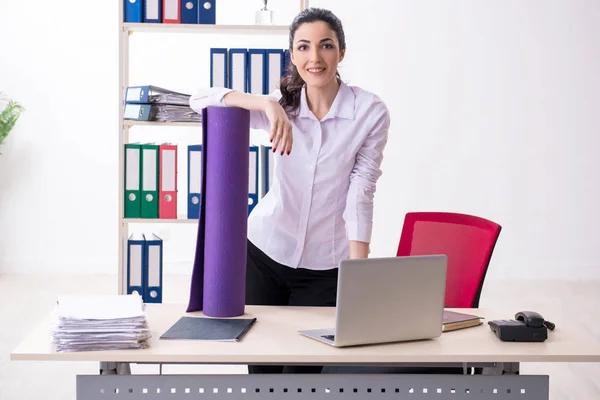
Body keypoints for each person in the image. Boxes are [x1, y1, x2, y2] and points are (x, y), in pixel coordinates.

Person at [189, 7, 390, 374]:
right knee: (262, 371)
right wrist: (265, 103)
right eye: (303, 47)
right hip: (264, 253)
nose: (315, 58)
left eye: (326, 46)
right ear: (293, 55)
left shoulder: (369, 112)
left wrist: (360, 278)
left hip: (326, 266)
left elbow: (362, 191)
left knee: (304, 378)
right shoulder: (280, 107)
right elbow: (199, 99)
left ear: (341, 52)